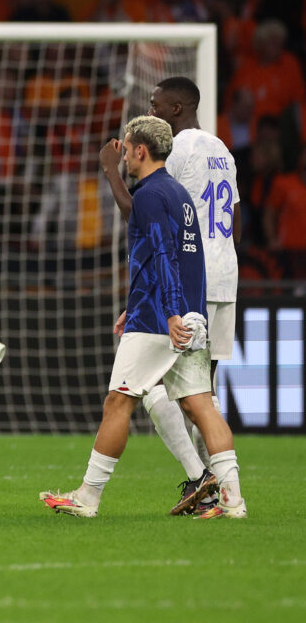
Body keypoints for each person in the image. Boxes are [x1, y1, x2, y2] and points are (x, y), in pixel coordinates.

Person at [41, 115, 247, 519]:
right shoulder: (180, 194)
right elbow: (188, 259)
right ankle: (233, 501)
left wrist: (167, 312)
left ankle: (87, 497)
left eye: (127, 149)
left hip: (157, 319)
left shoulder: (150, 195)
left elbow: (164, 256)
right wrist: (189, 313)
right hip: (187, 314)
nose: (123, 158)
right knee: (201, 406)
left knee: (118, 402)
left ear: (140, 150)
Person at [101, 77, 241, 515]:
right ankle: (224, 493)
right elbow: (235, 219)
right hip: (225, 276)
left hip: (187, 278)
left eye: (156, 105)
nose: (151, 111)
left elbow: (143, 214)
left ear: (177, 108)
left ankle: (203, 480)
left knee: (157, 389)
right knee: (203, 395)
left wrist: (110, 172)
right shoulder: (222, 150)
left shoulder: (176, 150)